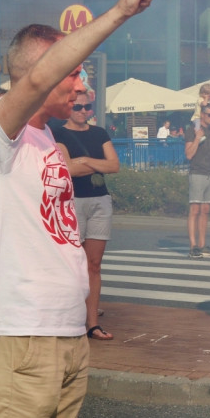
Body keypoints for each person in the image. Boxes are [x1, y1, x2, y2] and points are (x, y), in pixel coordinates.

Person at [0, 0, 161, 418]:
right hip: (23, 335)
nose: (81, 82)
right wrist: (120, 11)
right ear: (39, 70)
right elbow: (40, 79)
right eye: (73, 72)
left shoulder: (49, 140)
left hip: (68, 336)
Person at [52, 90, 120, 341]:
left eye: (86, 107)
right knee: (74, 264)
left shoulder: (99, 132)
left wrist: (85, 160)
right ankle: (71, 319)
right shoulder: (58, 133)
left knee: (94, 264)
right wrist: (94, 163)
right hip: (73, 201)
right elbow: (66, 169)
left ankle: (92, 324)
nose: (82, 111)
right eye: (77, 107)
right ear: (68, 107)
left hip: (100, 200)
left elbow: (114, 165)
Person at [185, 103, 210, 258]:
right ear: (202, 114)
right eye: (209, 115)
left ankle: (202, 244)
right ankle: (193, 245)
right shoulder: (192, 130)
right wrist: (197, 139)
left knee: (206, 210)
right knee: (195, 210)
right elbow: (188, 154)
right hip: (197, 173)